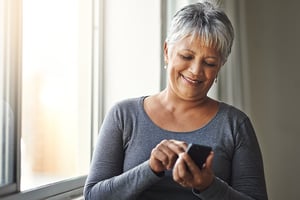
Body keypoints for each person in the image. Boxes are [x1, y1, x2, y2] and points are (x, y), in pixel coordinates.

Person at [84, 1, 268, 200]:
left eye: (209, 63)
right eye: (186, 56)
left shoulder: (235, 124)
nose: (196, 71)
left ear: (220, 67)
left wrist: (209, 186)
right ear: (166, 52)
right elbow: (94, 196)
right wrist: (150, 169)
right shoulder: (123, 116)